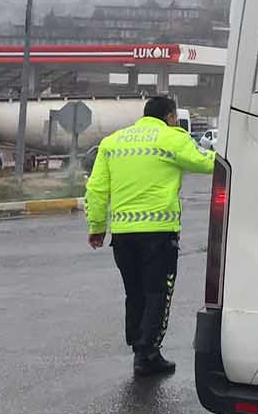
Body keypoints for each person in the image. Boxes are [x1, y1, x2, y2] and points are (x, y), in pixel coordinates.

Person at [85, 96, 215, 376]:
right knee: (157, 292)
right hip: (158, 234)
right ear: (170, 116)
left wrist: (97, 226)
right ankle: (148, 352)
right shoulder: (170, 138)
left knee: (134, 293)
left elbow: (96, 189)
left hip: (123, 235)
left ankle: (138, 348)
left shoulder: (113, 142)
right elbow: (207, 163)